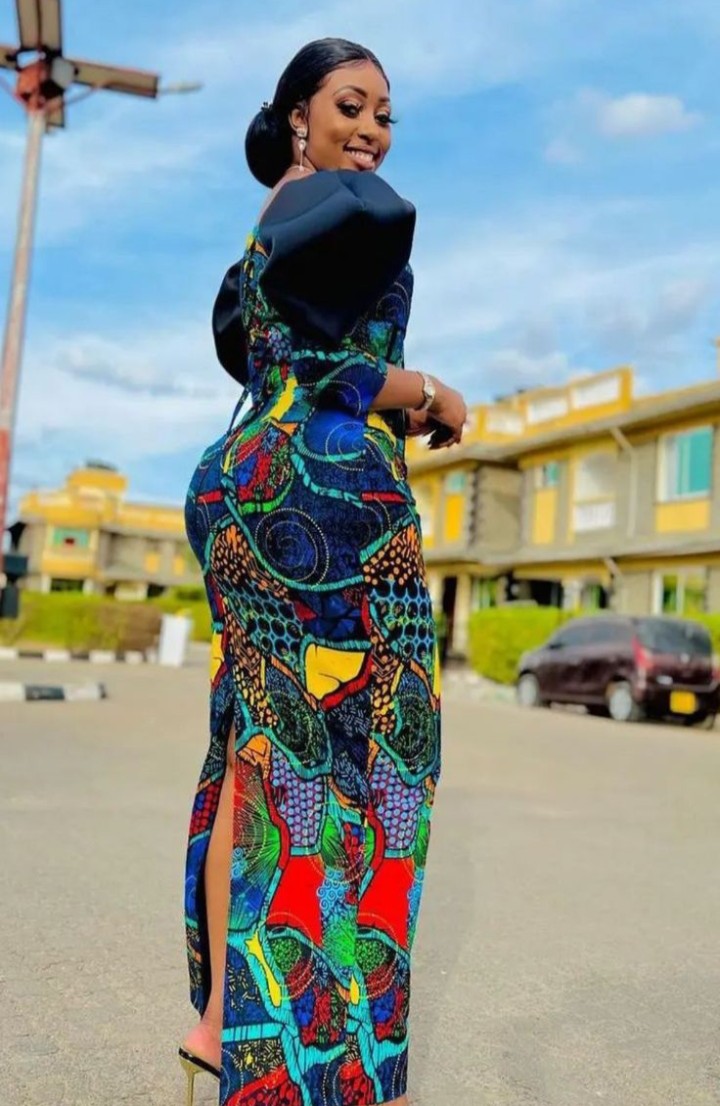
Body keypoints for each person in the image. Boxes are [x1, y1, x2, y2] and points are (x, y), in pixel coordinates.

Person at [180, 37, 467, 1106]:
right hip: (328, 503)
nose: (372, 131)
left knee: (262, 751)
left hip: (246, 483)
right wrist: (429, 392)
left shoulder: (269, 220)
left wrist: (385, 404)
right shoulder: (352, 206)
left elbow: (268, 362)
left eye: (386, 114)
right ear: (297, 114)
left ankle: (226, 1023)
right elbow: (326, 368)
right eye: (351, 105)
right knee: (377, 767)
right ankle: (325, 1059)